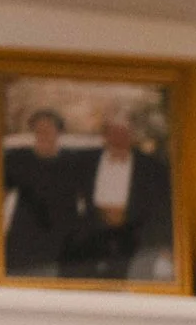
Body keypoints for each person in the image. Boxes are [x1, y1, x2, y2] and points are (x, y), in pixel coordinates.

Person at [60, 112, 174, 280]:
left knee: (125, 280)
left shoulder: (151, 167)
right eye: (113, 132)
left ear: (132, 136)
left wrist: (164, 244)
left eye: (124, 133)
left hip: (135, 235)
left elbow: (163, 207)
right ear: (105, 136)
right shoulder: (86, 161)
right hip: (94, 231)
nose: (118, 138)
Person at [0, 109, 92, 277]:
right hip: (25, 235)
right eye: (39, 130)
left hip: (62, 237)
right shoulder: (19, 159)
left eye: (49, 129)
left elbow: (87, 198)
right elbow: (1, 195)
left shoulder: (74, 162)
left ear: (59, 132)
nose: (44, 134)